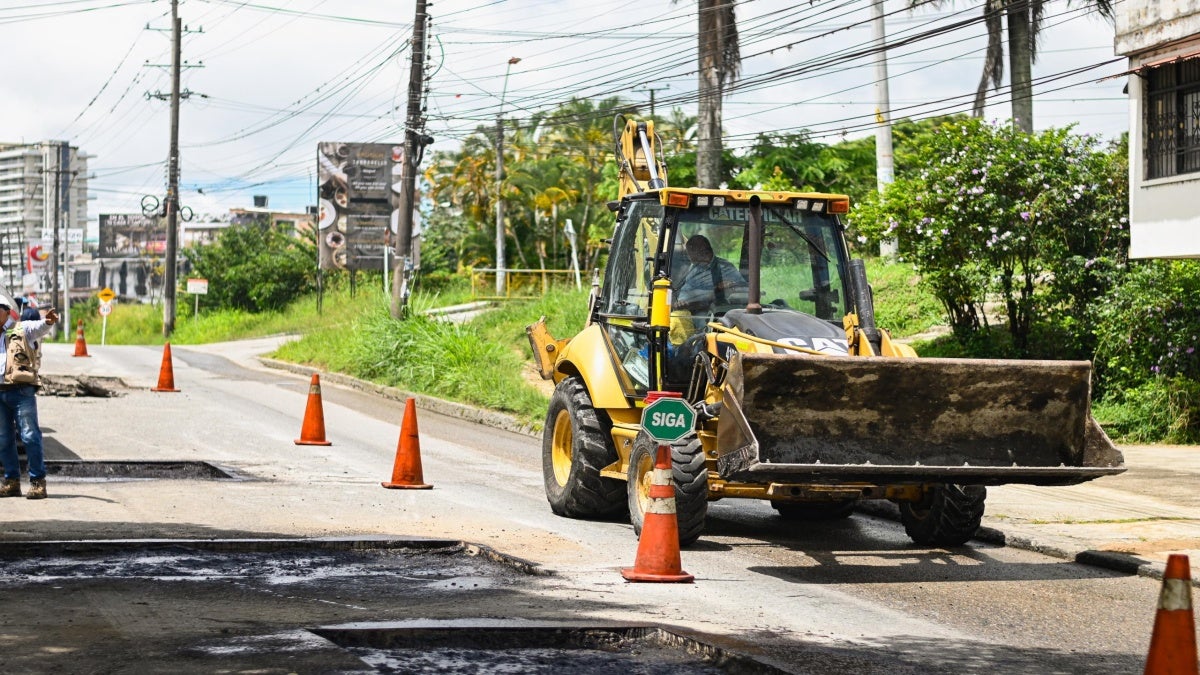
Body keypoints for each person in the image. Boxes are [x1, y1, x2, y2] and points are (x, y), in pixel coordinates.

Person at [0, 294, 58, 499]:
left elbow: (40, 327)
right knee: (3, 440)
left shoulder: (21, 329)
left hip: (21, 392)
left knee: (30, 436)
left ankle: (37, 482)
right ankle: (12, 481)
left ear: (6, 311)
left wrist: (48, 321)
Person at [674, 234, 748, 314]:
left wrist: (731, 287)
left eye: (690, 255)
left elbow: (745, 293)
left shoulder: (726, 267)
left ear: (702, 252)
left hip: (724, 312)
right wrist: (681, 302)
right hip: (700, 312)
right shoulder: (694, 271)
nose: (690, 259)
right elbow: (686, 293)